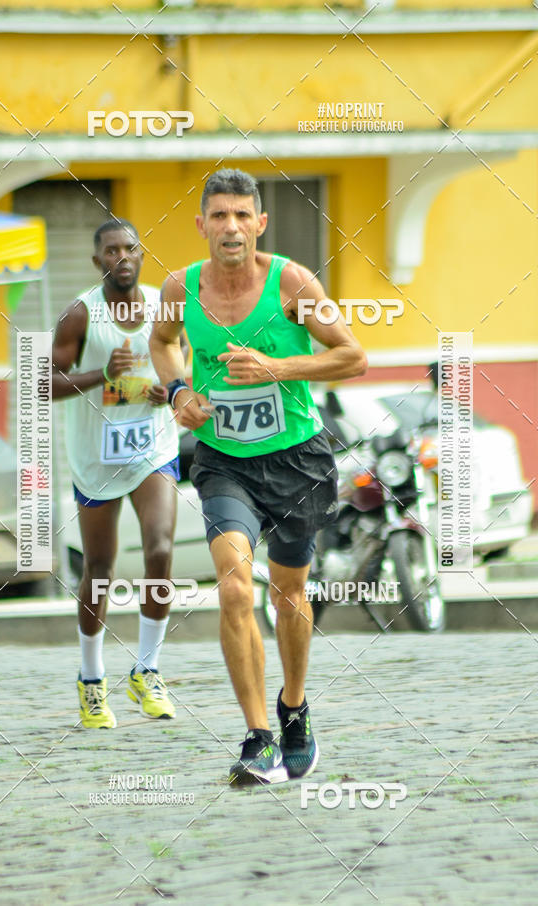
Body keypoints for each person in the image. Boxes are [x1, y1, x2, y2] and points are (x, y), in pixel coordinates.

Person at [149, 169, 367, 784]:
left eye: (242, 215)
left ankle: (293, 707)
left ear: (260, 223)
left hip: (297, 459)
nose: (231, 227)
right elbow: (162, 341)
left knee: (289, 593)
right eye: (219, 215)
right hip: (224, 461)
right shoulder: (179, 288)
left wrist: (277, 366)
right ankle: (258, 737)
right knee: (235, 587)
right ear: (202, 225)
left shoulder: (293, 282)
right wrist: (178, 390)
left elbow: (352, 356)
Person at [52, 218, 179, 728]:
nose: (121, 257)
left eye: (130, 248)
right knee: (100, 570)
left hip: (152, 446)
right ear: (97, 261)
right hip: (97, 457)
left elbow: (182, 357)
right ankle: (91, 679)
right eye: (111, 250)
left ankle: (148, 670)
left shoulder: (164, 305)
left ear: (142, 255)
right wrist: (102, 375)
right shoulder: (80, 314)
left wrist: (171, 389)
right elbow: (45, 382)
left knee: (161, 549)